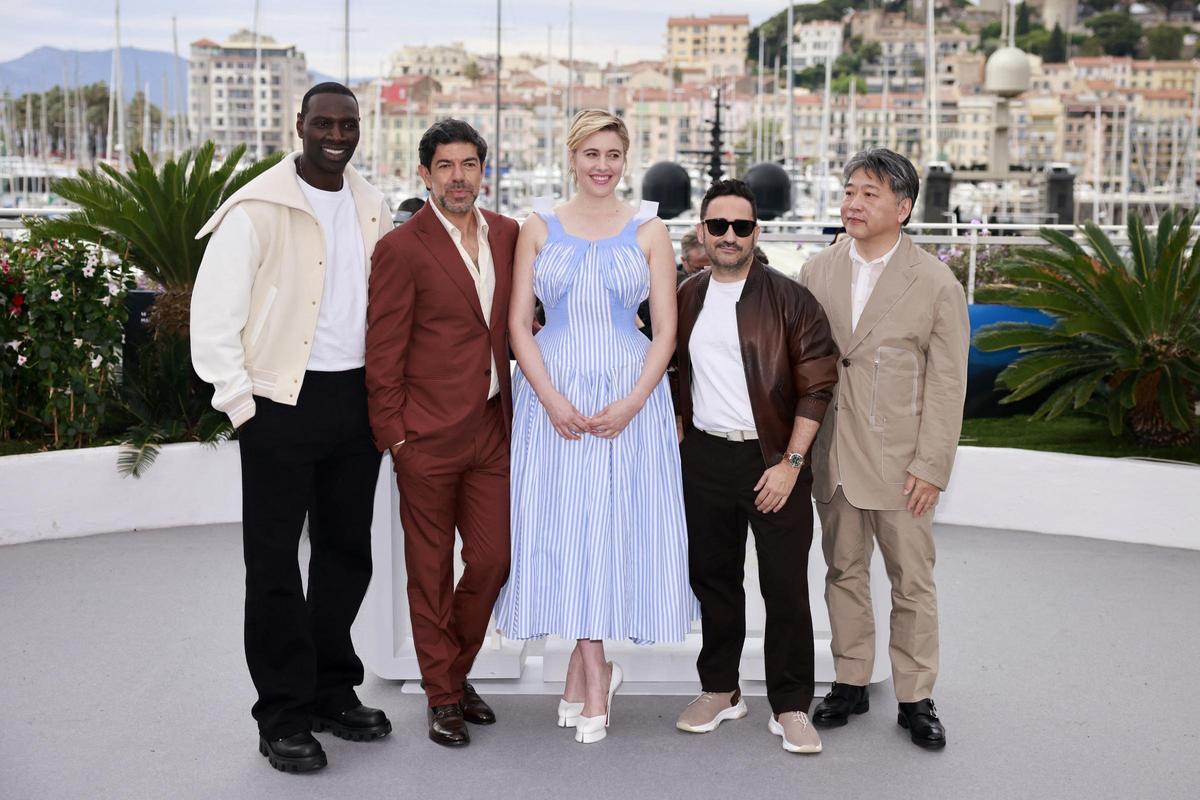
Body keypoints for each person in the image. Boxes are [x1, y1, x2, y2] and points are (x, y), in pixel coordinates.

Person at [190, 82, 394, 773]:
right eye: (324, 123)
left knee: (346, 555)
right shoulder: (257, 208)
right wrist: (241, 405)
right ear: (299, 126)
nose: (336, 134)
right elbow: (213, 319)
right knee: (274, 566)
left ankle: (333, 692)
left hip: (354, 402)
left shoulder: (372, 205)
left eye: (348, 124)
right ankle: (280, 714)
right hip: (280, 403)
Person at [493, 109, 692, 745]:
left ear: (625, 159)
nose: (602, 166)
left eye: (613, 154)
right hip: (553, 400)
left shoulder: (649, 228)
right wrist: (548, 398)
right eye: (591, 154)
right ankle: (591, 667)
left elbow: (666, 330)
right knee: (560, 529)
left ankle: (592, 678)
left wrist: (636, 401)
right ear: (572, 157)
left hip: (629, 402)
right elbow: (519, 323)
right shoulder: (537, 226)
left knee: (611, 530)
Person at [798, 148, 969, 750]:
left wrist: (932, 466)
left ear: (903, 206)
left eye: (869, 193)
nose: (853, 202)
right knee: (843, 571)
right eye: (849, 190)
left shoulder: (935, 282)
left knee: (911, 581)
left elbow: (949, 383)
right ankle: (849, 679)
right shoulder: (817, 270)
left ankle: (916, 697)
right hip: (834, 457)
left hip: (903, 465)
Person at [365, 119, 519, 748]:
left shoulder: (509, 236)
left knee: (493, 559)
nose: (460, 177)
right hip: (424, 437)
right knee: (427, 572)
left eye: (470, 164)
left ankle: (450, 673)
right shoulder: (401, 249)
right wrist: (396, 437)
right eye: (446, 166)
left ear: (484, 170)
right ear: (424, 175)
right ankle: (443, 695)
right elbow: (383, 352)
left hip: (492, 426)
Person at [673, 179, 839, 755]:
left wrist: (791, 463)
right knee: (714, 582)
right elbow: (662, 365)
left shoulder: (791, 300)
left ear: (756, 234)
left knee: (786, 588)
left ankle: (791, 704)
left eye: (741, 226)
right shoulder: (684, 296)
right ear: (701, 231)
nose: (729, 236)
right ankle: (720, 689)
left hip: (773, 458)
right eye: (717, 226)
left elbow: (818, 386)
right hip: (705, 457)